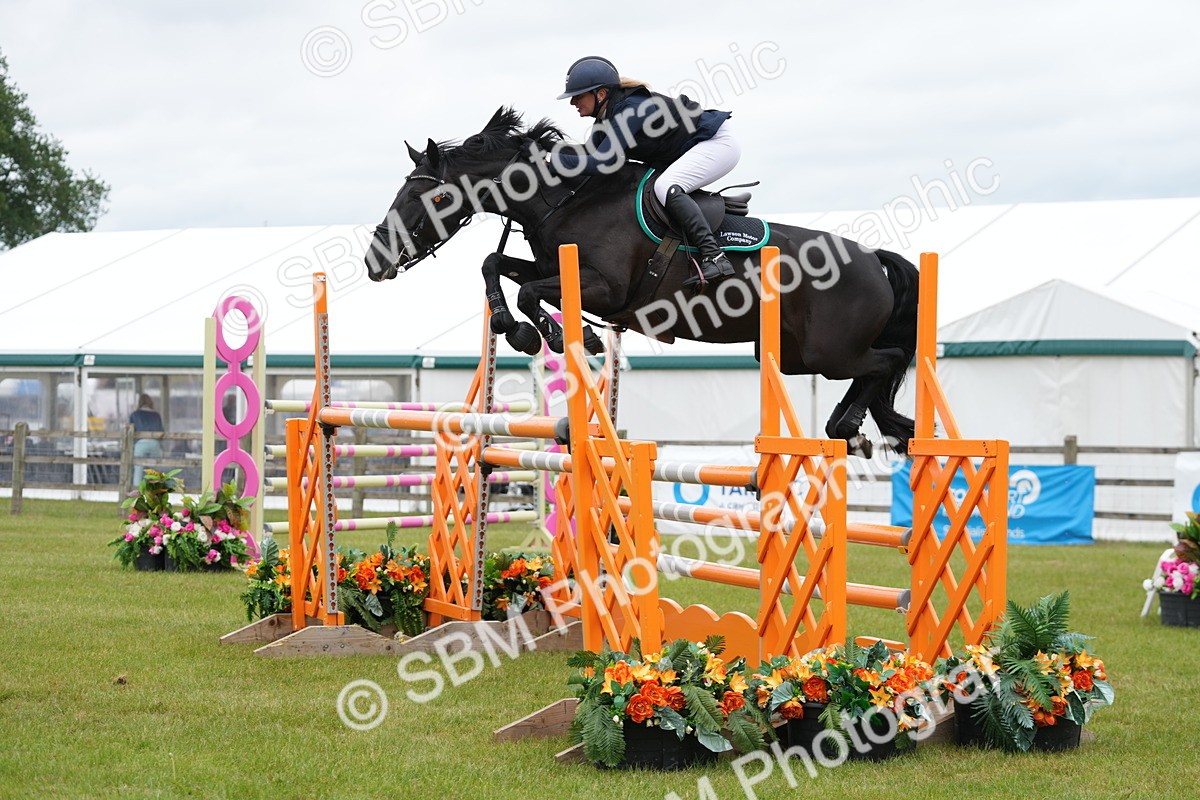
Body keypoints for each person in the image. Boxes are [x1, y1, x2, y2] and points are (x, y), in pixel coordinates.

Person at [551, 56, 741, 287]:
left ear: (601, 94)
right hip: (690, 149)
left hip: (716, 143)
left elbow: (601, 162)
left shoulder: (632, 109)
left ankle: (715, 256)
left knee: (665, 187)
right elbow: (589, 154)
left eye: (578, 96)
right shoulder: (605, 121)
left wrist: (550, 160)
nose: (573, 103)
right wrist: (544, 149)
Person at [129, 393, 163, 485]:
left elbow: (130, 431)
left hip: (141, 443)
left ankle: (137, 492)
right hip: (154, 443)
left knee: (138, 469)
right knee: (154, 469)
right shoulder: (156, 415)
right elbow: (161, 431)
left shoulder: (135, 415)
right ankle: (154, 490)